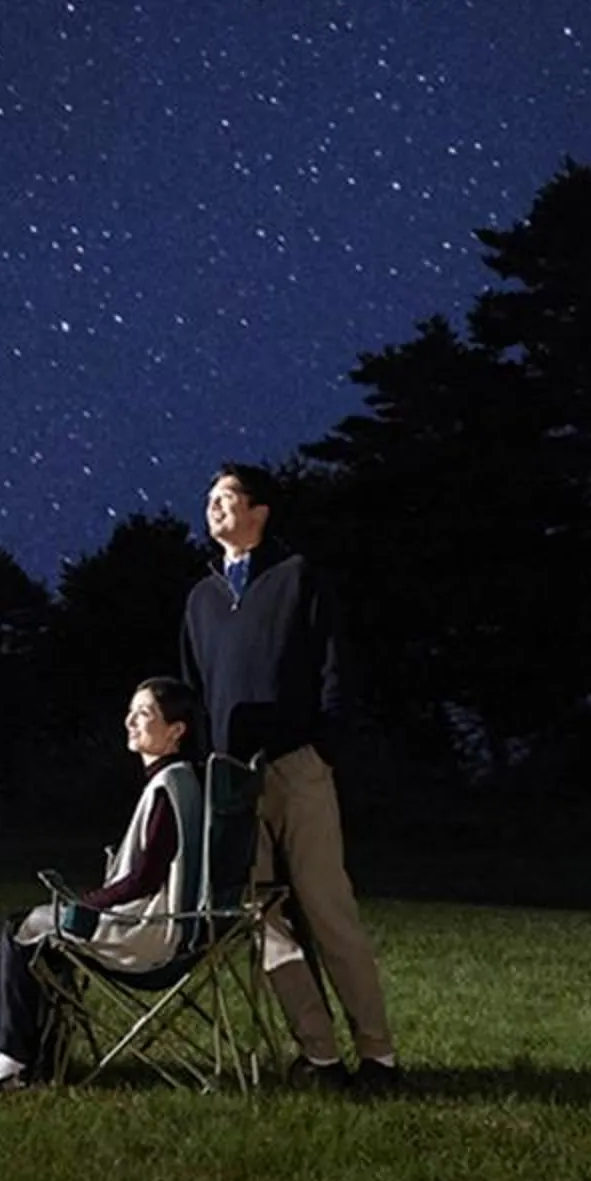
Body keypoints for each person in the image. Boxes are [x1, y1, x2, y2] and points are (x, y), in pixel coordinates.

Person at [181, 462, 404, 1095]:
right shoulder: (200, 600)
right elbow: (195, 692)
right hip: (233, 783)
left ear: (260, 511)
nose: (214, 508)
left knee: (328, 910)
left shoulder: (296, 577)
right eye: (209, 498)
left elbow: (334, 667)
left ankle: (379, 1056)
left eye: (226, 497)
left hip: (298, 766)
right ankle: (321, 1055)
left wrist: (324, 749)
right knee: (259, 919)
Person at [0, 677, 201, 1093]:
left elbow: (145, 878)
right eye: (131, 710)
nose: (130, 721)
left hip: (149, 934)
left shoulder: (167, 787)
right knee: (21, 925)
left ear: (176, 730)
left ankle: (4, 1061)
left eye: (144, 714)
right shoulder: (180, 781)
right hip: (157, 923)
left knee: (25, 929)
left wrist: (88, 903)